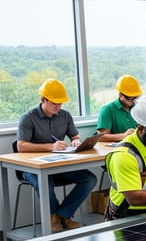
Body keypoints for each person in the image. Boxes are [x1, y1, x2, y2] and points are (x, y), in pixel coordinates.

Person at [16, 79, 98, 232]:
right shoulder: (28, 118)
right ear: (43, 100)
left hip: (57, 166)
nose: (58, 106)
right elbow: (21, 146)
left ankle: (60, 215)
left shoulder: (65, 116)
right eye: (54, 103)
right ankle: (56, 216)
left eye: (61, 103)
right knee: (45, 181)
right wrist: (50, 146)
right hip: (32, 169)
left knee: (89, 179)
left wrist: (76, 141)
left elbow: (75, 136)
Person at [97, 74, 142, 142]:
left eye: (136, 97)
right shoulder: (107, 110)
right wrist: (123, 136)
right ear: (121, 95)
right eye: (130, 98)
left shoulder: (138, 108)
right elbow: (101, 137)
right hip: (118, 148)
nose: (134, 100)